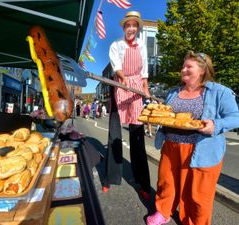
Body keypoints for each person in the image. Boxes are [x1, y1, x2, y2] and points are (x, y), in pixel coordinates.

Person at [147, 51, 239, 225]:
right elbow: (166, 116)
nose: (183, 69)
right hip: (171, 146)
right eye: (183, 66)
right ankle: (163, 211)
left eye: (189, 66)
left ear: (203, 70)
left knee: (199, 192)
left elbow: (235, 117)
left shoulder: (220, 92)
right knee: (167, 182)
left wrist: (215, 124)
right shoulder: (174, 92)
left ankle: (196, 222)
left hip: (202, 149)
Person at [102, 11, 151, 201]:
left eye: (134, 25)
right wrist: (125, 82)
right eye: (128, 25)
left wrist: (144, 89)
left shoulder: (142, 47)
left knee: (137, 137)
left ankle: (143, 182)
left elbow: (145, 69)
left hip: (137, 88)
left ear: (138, 28)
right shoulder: (116, 45)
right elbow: (117, 67)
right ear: (124, 27)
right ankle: (110, 177)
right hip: (120, 86)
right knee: (114, 134)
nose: (131, 28)